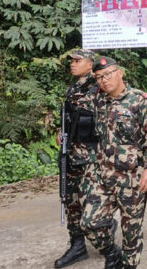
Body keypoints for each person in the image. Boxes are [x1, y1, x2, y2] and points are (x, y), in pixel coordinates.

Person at [81, 56, 147, 269]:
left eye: (108, 74)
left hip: (131, 180)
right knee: (89, 224)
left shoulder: (139, 100)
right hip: (103, 176)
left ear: (120, 73)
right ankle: (111, 254)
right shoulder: (98, 100)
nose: (104, 80)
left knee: (131, 235)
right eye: (98, 77)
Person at [55, 49, 99, 268]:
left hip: (92, 156)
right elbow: (68, 117)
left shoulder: (99, 86)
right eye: (71, 61)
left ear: (90, 64)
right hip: (71, 154)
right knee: (71, 202)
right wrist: (61, 132)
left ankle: (105, 233)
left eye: (77, 61)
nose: (72, 64)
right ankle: (77, 245)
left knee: (94, 204)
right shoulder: (72, 88)